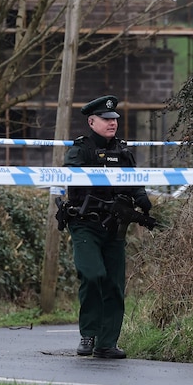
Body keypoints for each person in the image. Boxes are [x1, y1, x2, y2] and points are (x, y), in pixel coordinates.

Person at [62, 95, 152, 359]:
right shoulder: (81, 149)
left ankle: (106, 343)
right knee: (92, 275)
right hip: (86, 223)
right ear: (91, 122)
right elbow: (70, 176)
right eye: (106, 119)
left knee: (114, 284)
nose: (112, 123)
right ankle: (88, 334)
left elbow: (134, 180)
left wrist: (141, 197)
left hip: (115, 227)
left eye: (114, 119)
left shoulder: (123, 151)